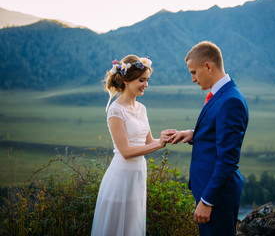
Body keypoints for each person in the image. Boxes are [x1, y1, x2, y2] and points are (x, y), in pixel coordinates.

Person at [168, 41, 249, 236]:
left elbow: (228, 159)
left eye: (194, 72)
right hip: (210, 192)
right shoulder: (222, 94)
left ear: (208, 66)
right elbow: (219, 134)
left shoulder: (231, 101)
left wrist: (207, 201)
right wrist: (195, 134)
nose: (193, 79)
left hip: (217, 199)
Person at [91, 55, 175, 236]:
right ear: (127, 80)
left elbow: (148, 142)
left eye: (147, 80)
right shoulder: (116, 110)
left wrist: (165, 138)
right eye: (141, 80)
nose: (146, 85)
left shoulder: (142, 108)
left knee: (131, 227)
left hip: (138, 175)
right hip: (120, 178)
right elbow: (126, 151)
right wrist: (160, 145)